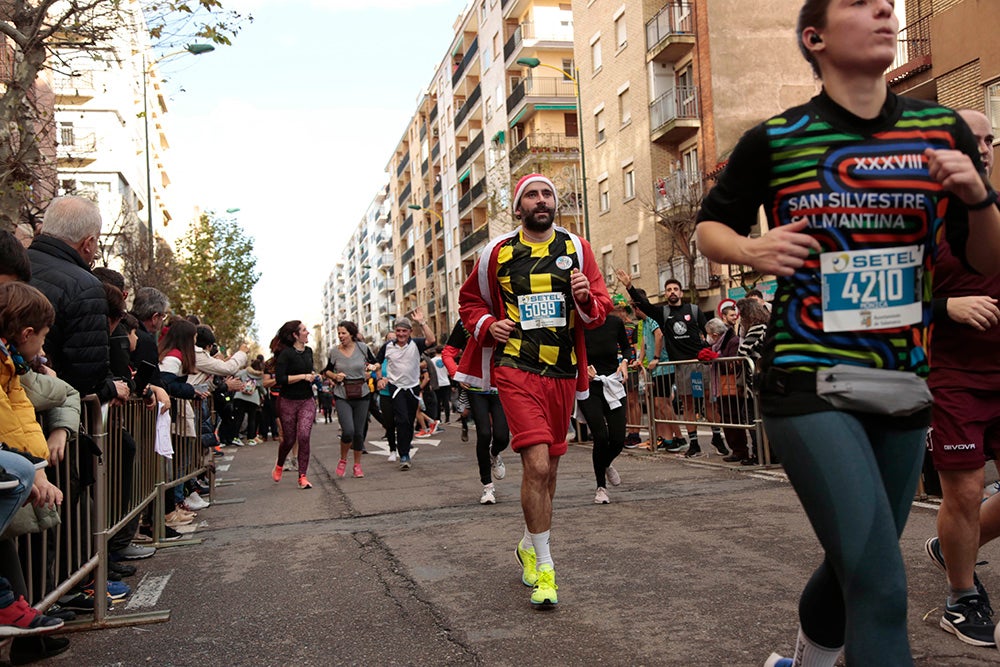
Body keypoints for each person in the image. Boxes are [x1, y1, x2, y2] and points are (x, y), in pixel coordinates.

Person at [695, 1, 1000, 664]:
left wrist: (977, 197)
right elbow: (708, 227)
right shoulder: (778, 138)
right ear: (816, 37)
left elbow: (986, 261)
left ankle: (804, 658)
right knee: (881, 585)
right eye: (861, 5)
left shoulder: (938, 128)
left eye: (886, 3)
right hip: (808, 380)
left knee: (851, 563)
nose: (887, 9)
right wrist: (752, 249)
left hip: (902, 379)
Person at [458, 173, 611, 607]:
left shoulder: (576, 249)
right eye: (532, 195)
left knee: (551, 472)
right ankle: (546, 569)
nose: (541, 201)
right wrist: (490, 325)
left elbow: (599, 311)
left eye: (547, 194)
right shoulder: (497, 253)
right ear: (518, 206)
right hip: (516, 368)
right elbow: (470, 303)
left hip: (562, 371)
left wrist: (584, 298)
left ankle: (528, 542)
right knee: (537, 465)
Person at [923, 107, 1000, 648]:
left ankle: (953, 546)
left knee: (970, 507)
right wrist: (946, 305)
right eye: (974, 140)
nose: (986, 148)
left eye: (990, 139)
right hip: (951, 374)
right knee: (967, 490)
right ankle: (961, 595)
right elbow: (875, 300)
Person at [616, 270, 726, 457]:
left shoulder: (693, 310)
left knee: (709, 403)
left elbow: (711, 331)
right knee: (688, 405)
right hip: (682, 366)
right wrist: (629, 286)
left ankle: (717, 437)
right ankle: (693, 443)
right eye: (669, 289)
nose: (672, 292)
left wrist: (709, 348)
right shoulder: (663, 313)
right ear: (665, 294)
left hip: (700, 364)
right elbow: (645, 305)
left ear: (681, 293)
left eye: (676, 289)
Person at [446, 319, 510, 505]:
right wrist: (456, 372)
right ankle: (487, 486)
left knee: (502, 436)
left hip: (500, 385)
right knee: (483, 433)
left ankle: (494, 453)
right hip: (475, 386)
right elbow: (448, 353)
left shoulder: (506, 314)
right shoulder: (466, 322)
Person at [576, 305, 630, 504]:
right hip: (589, 387)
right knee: (600, 436)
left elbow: (626, 347)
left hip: (612, 384)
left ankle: (605, 464)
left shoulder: (614, 322)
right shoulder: (578, 325)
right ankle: (601, 488)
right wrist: (582, 368)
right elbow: (568, 354)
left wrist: (624, 361)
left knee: (617, 439)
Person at [374, 310, 436, 470]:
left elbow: (432, 340)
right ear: (395, 332)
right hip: (396, 388)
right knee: (401, 420)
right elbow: (376, 363)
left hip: (412, 387)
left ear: (409, 332)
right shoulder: (387, 347)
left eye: (404, 331)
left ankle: (405, 448)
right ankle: (404, 455)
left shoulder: (416, 343)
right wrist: (380, 378)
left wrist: (422, 322)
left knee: (409, 422)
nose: (401, 334)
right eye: (398, 331)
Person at [324, 320, 375, 480]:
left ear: (351, 334)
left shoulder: (363, 348)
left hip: (362, 393)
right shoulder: (334, 352)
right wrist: (334, 376)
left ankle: (357, 465)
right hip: (342, 394)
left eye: (343, 333)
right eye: (339, 333)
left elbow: (376, 363)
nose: (340, 336)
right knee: (348, 431)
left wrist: (373, 370)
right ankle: (343, 459)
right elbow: (326, 371)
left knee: (359, 433)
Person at [270, 321, 318, 489]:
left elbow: (308, 371)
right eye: (304, 330)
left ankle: (302, 477)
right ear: (295, 335)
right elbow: (280, 379)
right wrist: (303, 376)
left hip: (306, 400)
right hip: (288, 401)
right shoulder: (285, 354)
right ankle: (280, 464)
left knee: (304, 436)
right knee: (289, 440)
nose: (308, 332)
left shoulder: (309, 351)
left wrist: (312, 376)